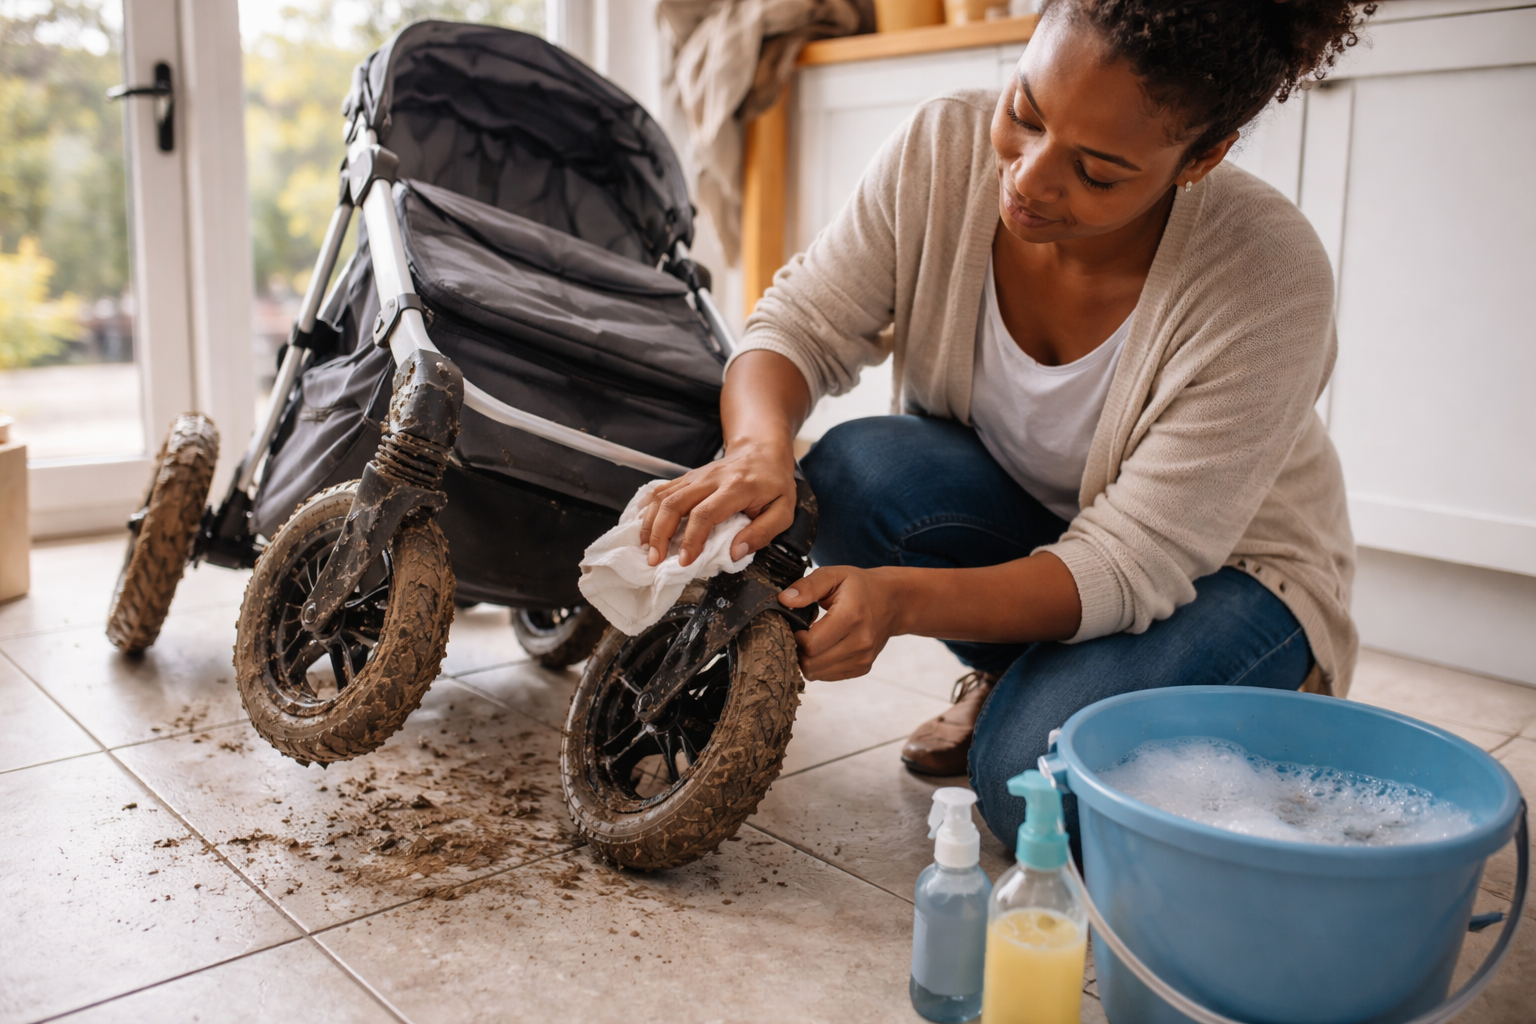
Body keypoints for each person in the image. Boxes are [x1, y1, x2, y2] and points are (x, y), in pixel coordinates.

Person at [639, 0, 1371, 846]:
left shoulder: (1267, 275)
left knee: (1027, 789)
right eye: (1025, 112)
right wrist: (758, 449)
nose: (1027, 178)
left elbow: (1131, 562)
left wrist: (900, 601)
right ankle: (1045, 680)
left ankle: (1249, 697)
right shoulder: (942, 151)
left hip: (1232, 579)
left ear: (1200, 159)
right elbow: (799, 323)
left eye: (1097, 173)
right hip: (1050, 531)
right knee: (850, 473)